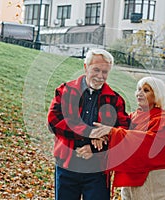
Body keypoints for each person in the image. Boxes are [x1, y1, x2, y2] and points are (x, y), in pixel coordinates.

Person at [47, 48, 130, 200]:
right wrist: (89, 132)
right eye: (96, 70)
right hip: (67, 165)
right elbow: (53, 121)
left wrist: (97, 146)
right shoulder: (65, 90)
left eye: (104, 72)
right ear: (86, 67)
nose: (100, 76)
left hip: (97, 170)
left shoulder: (115, 100)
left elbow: (124, 132)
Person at [90, 76, 165, 200]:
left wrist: (112, 132)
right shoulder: (131, 118)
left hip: (156, 186)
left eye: (146, 90)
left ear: (157, 94)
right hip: (130, 186)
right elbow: (117, 137)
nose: (139, 94)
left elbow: (148, 143)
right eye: (138, 89)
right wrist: (102, 137)